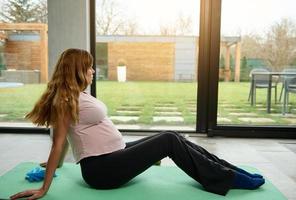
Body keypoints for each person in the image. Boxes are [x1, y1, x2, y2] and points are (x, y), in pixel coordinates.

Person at [10, 48, 265, 200]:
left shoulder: (78, 95)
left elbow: (66, 139)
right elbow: (59, 141)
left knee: (172, 135)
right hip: (102, 171)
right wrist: (45, 187)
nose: (92, 72)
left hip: (113, 157)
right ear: (76, 70)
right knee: (169, 140)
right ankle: (226, 179)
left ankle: (230, 172)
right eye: (88, 68)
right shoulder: (64, 100)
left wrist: (52, 164)